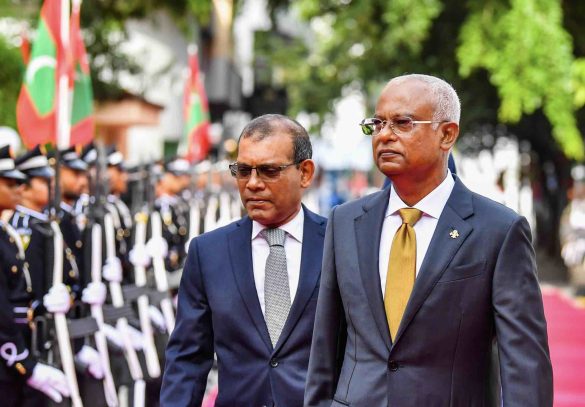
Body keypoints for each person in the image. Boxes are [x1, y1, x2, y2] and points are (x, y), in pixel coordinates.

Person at [304, 74, 553, 406]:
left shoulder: (499, 230)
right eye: (377, 124)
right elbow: (326, 348)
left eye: (402, 123)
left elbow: (525, 366)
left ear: (447, 134)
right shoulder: (346, 221)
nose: (385, 136)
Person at [161, 114, 326, 407]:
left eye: (268, 171)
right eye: (243, 170)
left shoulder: (338, 244)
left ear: (305, 173)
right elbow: (188, 358)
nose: (252, 184)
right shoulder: (208, 252)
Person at [0, 145, 70, 406]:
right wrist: (20, 360)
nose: (19, 189)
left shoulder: (7, 234)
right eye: (10, 183)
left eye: (21, 183)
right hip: (9, 355)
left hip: (25, 345)